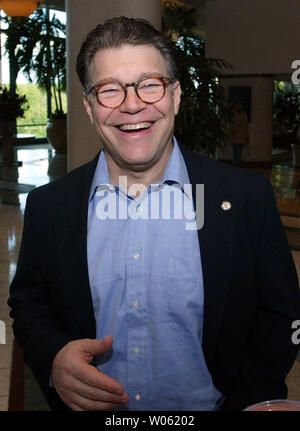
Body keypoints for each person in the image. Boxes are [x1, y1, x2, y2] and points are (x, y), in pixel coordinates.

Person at [8, 17, 300, 412]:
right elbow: (29, 301)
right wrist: (54, 358)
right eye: (109, 90)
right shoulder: (50, 207)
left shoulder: (244, 198)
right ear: (90, 108)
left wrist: (249, 399)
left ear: (175, 96)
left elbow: (281, 314)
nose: (132, 105)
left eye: (150, 84)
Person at [229, 101, 249, 166]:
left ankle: (236, 170)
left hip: (237, 138)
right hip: (242, 138)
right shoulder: (244, 115)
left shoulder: (237, 116)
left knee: (236, 156)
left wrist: (229, 130)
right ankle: (238, 169)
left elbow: (235, 127)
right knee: (238, 155)